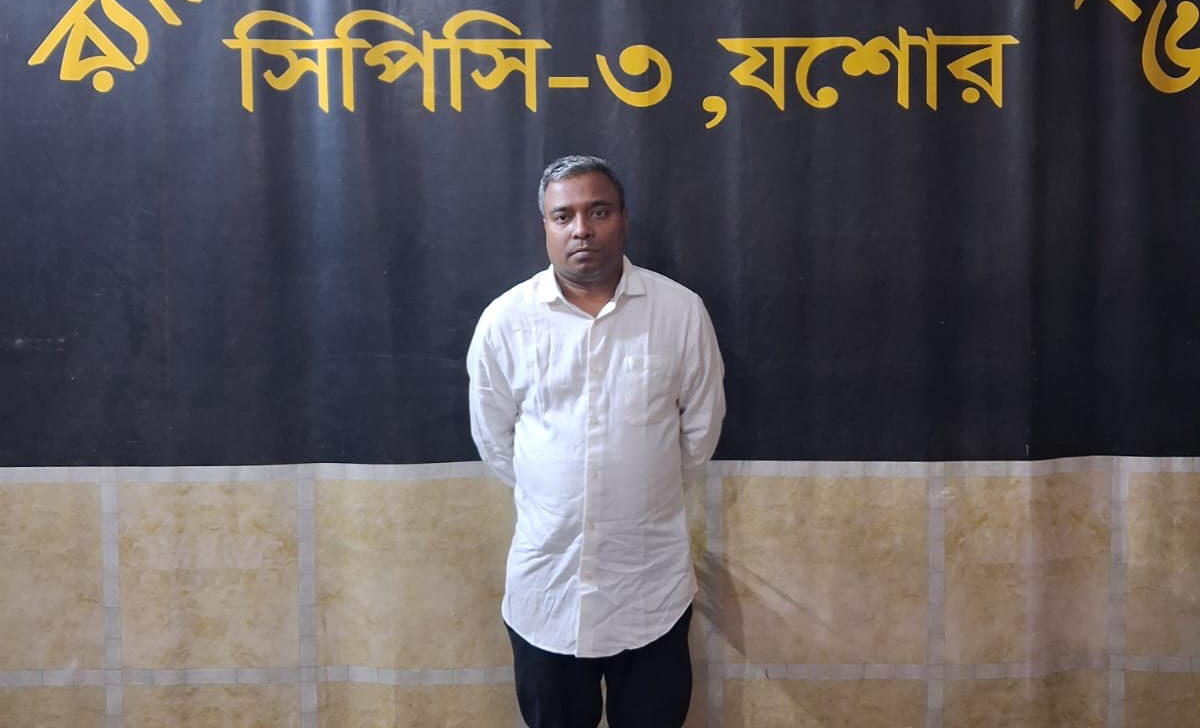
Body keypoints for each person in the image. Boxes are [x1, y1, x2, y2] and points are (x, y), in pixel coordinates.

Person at [466, 155, 725, 728]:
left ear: (624, 219)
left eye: (598, 211)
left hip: (650, 590)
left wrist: (639, 486)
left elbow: (700, 430)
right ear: (546, 227)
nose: (581, 229)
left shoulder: (679, 312)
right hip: (547, 594)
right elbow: (494, 439)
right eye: (564, 216)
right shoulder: (506, 321)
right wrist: (558, 490)